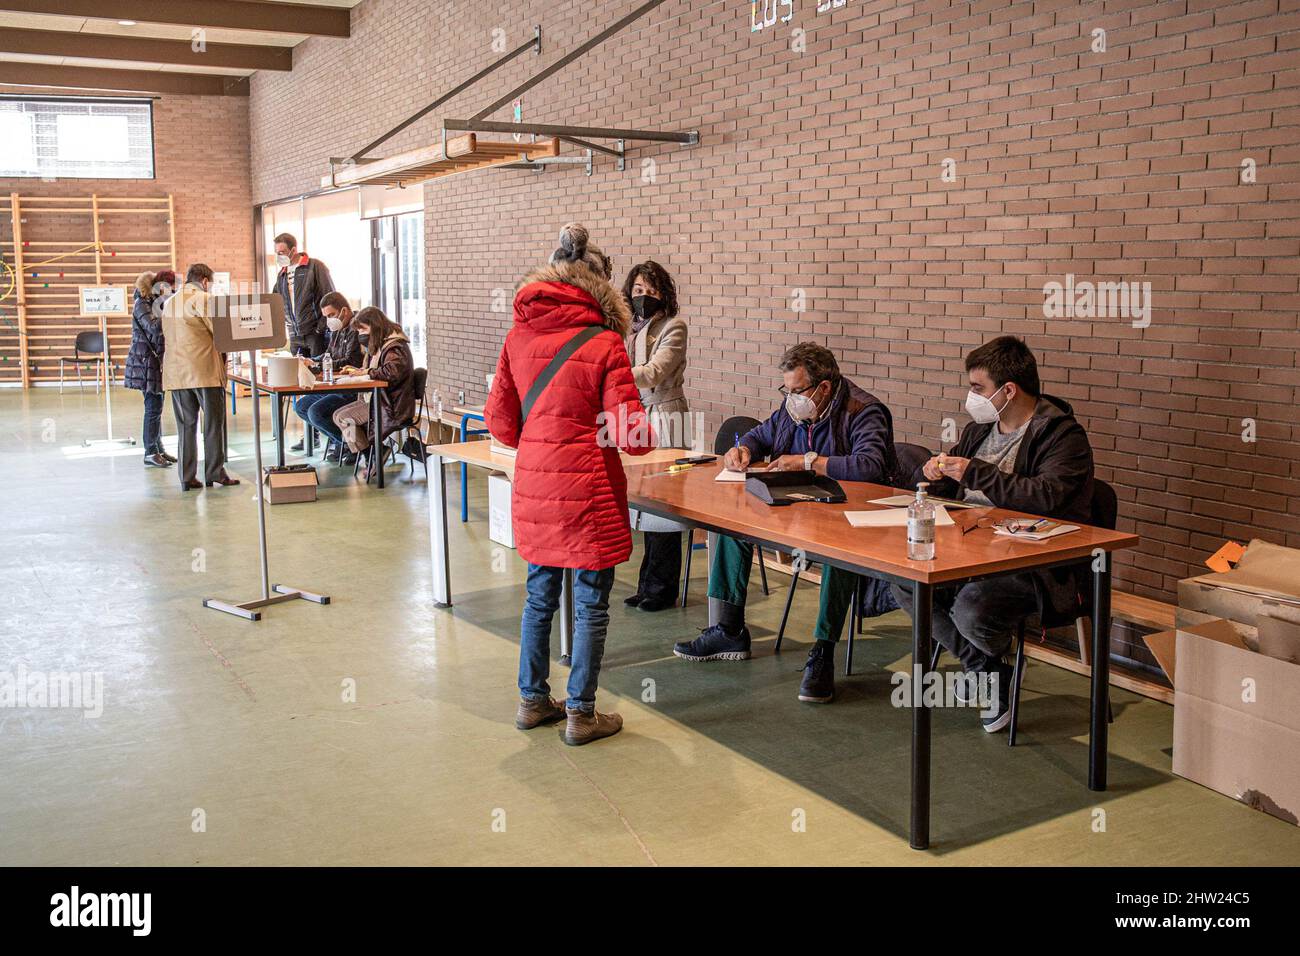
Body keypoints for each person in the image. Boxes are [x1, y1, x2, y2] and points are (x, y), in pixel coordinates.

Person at [485, 223, 653, 746]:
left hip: (535, 487)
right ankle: (581, 712)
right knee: (590, 604)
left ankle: (532, 701)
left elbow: (502, 425)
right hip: (588, 493)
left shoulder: (519, 337)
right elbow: (631, 435)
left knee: (538, 599)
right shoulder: (604, 342)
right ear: (600, 287)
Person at [672, 342, 898, 705]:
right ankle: (729, 629)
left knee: (838, 552)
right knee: (737, 524)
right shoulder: (794, 408)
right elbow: (761, 435)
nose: (791, 398)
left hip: (854, 516)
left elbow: (869, 465)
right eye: (786, 391)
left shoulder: (863, 410)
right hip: (801, 508)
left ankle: (823, 651)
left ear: (824, 388)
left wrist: (809, 461)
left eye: (797, 391)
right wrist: (742, 449)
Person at [892, 336, 1095, 733]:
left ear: (1008, 391)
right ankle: (985, 667)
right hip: (968, 546)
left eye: (977, 388)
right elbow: (953, 491)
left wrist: (972, 472)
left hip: (1036, 561)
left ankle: (984, 668)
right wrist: (932, 477)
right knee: (904, 577)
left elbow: (1046, 498)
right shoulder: (977, 431)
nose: (971, 396)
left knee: (972, 608)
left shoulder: (1062, 436)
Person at [621, 260, 690, 612]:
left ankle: (662, 589)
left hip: (667, 417)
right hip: (637, 414)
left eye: (650, 290)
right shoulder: (629, 327)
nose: (643, 296)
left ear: (663, 294)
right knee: (645, 502)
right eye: (637, 290)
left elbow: (655, 372)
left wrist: (611, 370)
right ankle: (647, 583)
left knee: (665, 505)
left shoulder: (674, 327)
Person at [161, 264, 239, 490]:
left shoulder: (169, 302)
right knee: (213, 424)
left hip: (177, 373)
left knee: (186, 426)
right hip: (203, 371)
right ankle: (215, 472)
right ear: (205, 281)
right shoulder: (203, 299)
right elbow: (222, 332)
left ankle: (187, 477)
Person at [329, 307, 414, 479]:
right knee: (338, 415)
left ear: (375, 326)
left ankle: (372, 453)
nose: (360, 333)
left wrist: (367, 373)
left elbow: (392, 372)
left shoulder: (395, 347)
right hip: (379, 400)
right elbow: (376, 370)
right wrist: (360, 371)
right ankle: (372, 452)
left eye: (363, 329)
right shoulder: (381, 344)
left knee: (344, 418)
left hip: (391, 405)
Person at [290, 291, 364, 463]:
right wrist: (311, 361)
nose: (329, 319)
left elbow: (350, 360)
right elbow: (328, 355)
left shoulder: (355, 329)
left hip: (351, 387)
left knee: (315, 412)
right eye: (326, 316)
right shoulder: (336, 330)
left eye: (331, 315)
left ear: (344, 311)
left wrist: (317, 365)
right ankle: (345, 442)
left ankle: (355, 445)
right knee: (301, 406)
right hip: (334, 384)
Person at [124, 269, 177, 468]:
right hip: (146, 362)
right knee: (153, 408)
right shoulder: (142, 304)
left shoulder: (155, 303)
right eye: (169, 288)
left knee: (157, 406)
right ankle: (150, 452)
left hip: (153, 362)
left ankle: (158, 448)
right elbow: (154, 328)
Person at [272, 233, 335, 358]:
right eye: (277, 253)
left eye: (282, 252)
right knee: (299, 374)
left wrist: (320, 328)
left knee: (317, 373)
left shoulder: (315, 266)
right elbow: (275, 301)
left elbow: (330, 297)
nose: (279, 256)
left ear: (294, 250)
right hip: (294, 335)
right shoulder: (282, 274)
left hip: (315, 334)